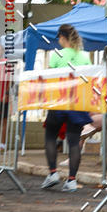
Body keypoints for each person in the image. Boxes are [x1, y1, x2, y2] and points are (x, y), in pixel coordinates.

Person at [41, 24, 91, 192]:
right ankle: (71, 180)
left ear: (62, 38)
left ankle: (53, 173)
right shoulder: (85, 56)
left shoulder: (57, 55)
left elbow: (49, 80)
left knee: (50, 136)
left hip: (58, 102)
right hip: (77, 103)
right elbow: (88, 80)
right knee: (74, 141)